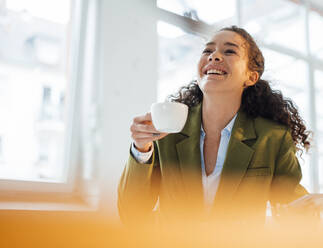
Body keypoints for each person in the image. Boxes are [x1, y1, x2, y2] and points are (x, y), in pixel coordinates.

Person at [118, 26, 313, 225]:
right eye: (207, 50)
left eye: (229, 51)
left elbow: (296, 205)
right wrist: (141, 150)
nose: (214, 56)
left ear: (251, 77)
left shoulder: (272, 137)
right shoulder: (169, 129)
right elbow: (132, 213)